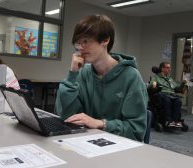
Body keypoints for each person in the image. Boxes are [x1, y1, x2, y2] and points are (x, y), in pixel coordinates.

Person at [55, 14, 147, 142]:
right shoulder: (83, 73)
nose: (80, 48)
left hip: (119, 148)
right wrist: (72, 75)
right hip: (86, 142)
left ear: (105, 40)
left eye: (86, 41)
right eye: (78, 42)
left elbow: (136, 131)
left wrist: (102, 124)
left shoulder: (131, 77)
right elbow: (67, 116)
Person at [150, 62, 186, 127]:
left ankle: (175, 121)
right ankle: (168, 121)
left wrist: (183, 83)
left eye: (169, 68)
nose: (169, 69)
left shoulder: (169, 78)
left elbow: (177, 88)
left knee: (178, 101)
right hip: (162, 94)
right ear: (162, 69)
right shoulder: (156, 77)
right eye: (167, 68)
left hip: (171, 95)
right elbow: (151, 84)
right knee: (167, 100)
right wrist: (153, 84)